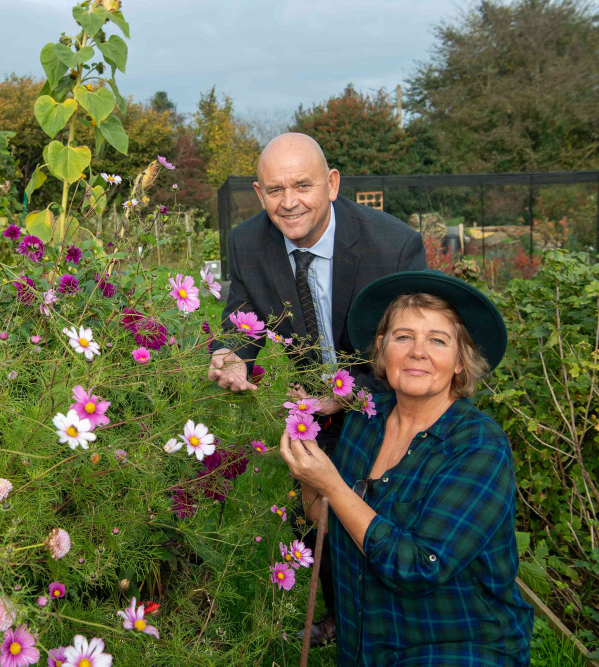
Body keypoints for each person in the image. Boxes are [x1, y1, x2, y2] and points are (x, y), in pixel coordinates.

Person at [207, 132, 427, 640]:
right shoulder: (246, 242)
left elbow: (420, 350)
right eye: (274, 190)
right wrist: (230, 358)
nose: (289, 202)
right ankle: (340, 614)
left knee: (389, 514)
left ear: (331, 184)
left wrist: (349, 394)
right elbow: (238, 321)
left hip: (393, 402)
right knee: (315, 514)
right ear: (259, 195)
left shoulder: (392, 244)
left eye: (302, 185)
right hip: (315, 407)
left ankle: (401, 618)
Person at [279, 270, 534, 665]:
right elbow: (326, 519)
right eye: (403, 337)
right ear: (381, 350)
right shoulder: (367, 418)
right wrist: (308, 469)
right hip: (367, 644)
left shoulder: (478, 446)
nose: (418, 351)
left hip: (455, 646)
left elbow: (418, 567)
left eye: (437, 340)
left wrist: (332, 484)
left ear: (460, 361)